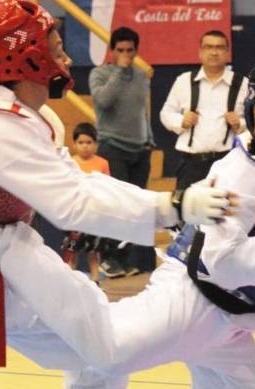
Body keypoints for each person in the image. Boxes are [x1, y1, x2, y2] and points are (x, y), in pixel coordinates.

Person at [0, 46, 255, 389]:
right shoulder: (244, 171)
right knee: (106, 349)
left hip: (235, 323)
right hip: (194, 298)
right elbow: (225, 264)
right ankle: (6, 276)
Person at [0, 1, 232, 389]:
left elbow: (82, 182)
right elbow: (73, 202)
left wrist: (168, 205)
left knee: (100, 352)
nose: (66, 58)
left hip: (10, 264)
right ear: (29, 60)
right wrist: (170, 208)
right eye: (55, 50)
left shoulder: (29, 120)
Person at [89, 26, 156, 278]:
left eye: (130, 50)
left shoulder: (141, 77)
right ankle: (110, 259)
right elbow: (103, 101)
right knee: (117, 204)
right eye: (120, 50)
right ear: (112, 51)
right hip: (112, 147)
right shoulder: (99, 74)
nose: (126, 54)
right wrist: (119, 69)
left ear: (136, 51)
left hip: (140, 150)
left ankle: (135, 260)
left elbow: (142, 111)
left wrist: (149, 139)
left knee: (139, 206)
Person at [160, 30, 249, 190]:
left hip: (228, 162)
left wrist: (240, 124)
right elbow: (165, 113)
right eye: (208, 47)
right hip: (190, 163)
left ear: (227, 52)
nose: (214, 52)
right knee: (185, 211)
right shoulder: (184, 80)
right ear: (200, 52)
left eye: (219, 47)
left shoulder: (242, 84)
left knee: (225, 210)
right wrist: (181, 121)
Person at [64, 122, 110, 282]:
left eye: (89, 142)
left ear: (96, 144)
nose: (85, 146)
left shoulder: (102, 163)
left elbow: (108, 186)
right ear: (74, 144)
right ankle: (70, 279)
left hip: (94, 214)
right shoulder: (69, 162)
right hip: (75, 215)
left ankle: (95, 280)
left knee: (93, 251)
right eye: (81, 142)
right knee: (72, 250)